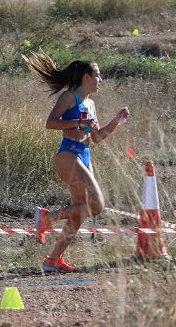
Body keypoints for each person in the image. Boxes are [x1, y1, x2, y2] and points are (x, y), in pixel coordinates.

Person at [24, 52, 129, 274]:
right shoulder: (69, 98)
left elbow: (97, 137)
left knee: (79, 213)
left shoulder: (90, 104)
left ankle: (52, 260)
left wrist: (116, 122)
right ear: (85, 77)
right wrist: (78, 121)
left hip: (84, 154)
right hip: (68, 155)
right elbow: (50, 123)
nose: (101, 80)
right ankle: (46, 217)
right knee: (97, 204)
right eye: (97, 75)